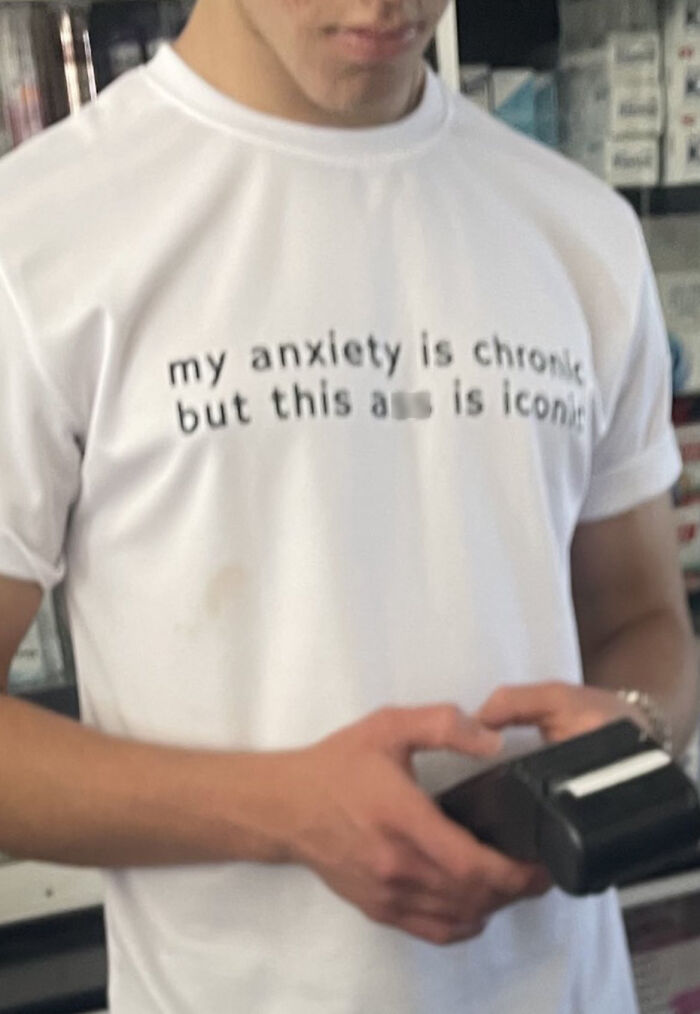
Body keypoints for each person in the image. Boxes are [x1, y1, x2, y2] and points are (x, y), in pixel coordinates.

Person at [0, 1, 697, 1011]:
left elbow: (645, 619)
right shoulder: (37, 237)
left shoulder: (579, 226)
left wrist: (632, 722)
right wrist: (283, 813)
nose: (382, 6)